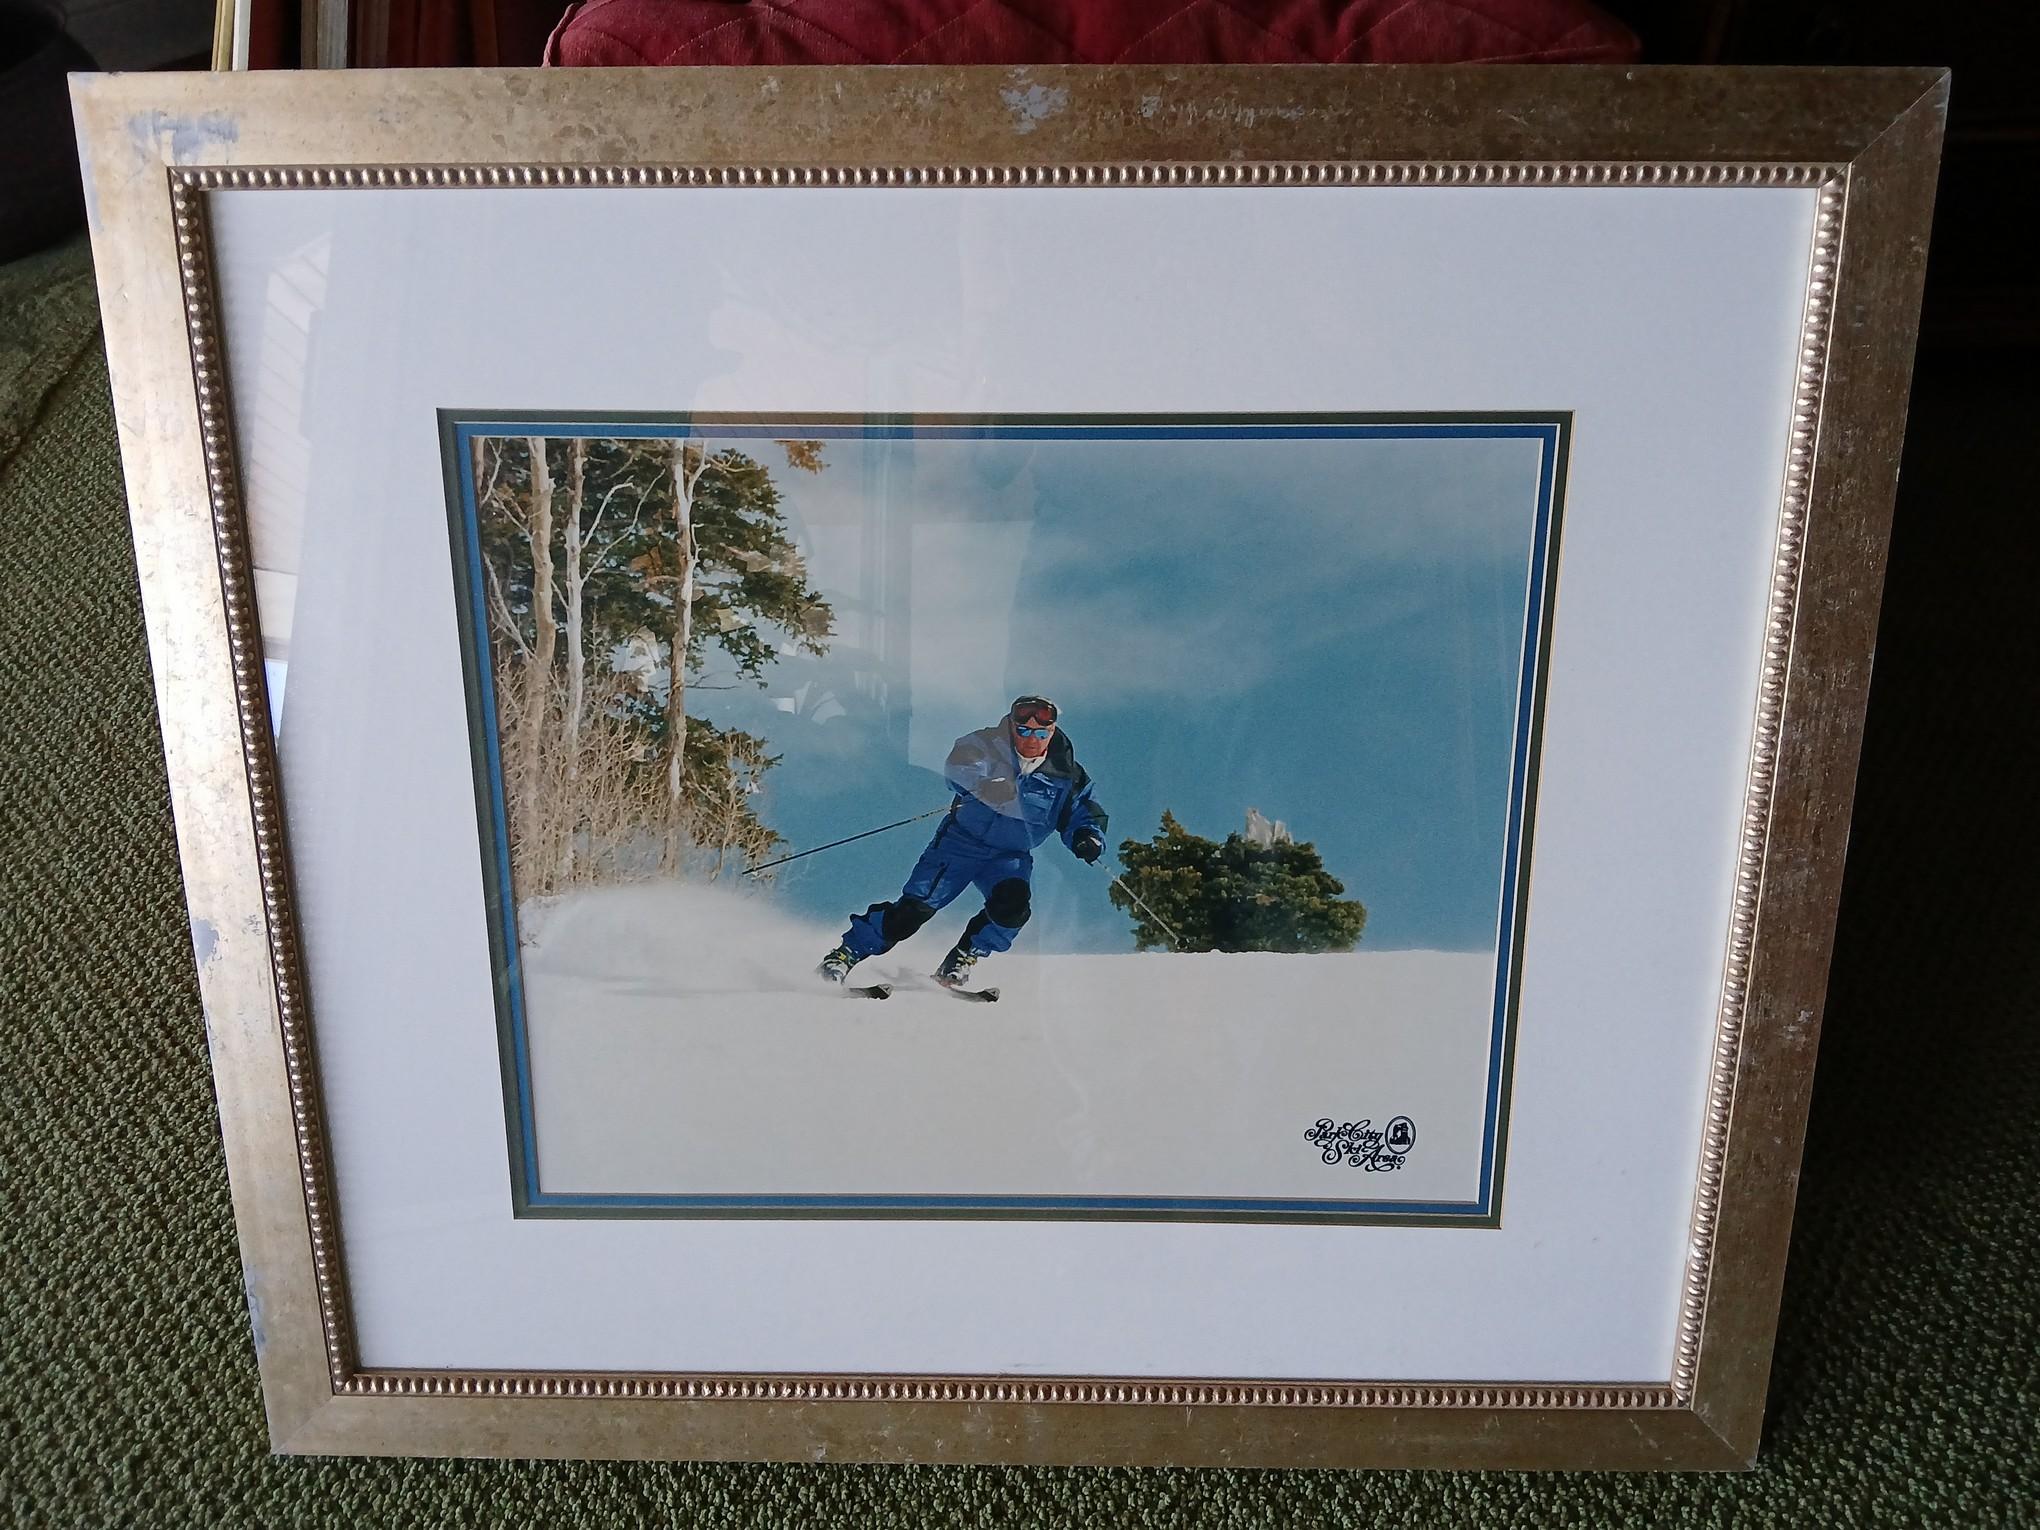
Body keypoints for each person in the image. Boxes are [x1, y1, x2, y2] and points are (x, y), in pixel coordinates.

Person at [818, 695, 1108, 989]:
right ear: (1012, 726)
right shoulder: (986, 744)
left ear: (1053, 731)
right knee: (916, 909)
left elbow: (1085, 812)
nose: (1032, 739)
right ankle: (845, 954)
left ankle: (963, 957)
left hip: (1010, 855)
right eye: (1024, 731)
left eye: (1041, 732)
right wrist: (984, 786)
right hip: (961, 844)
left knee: (1012, 910)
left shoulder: (1067, 775)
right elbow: (958, 766)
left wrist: (1088, 836)